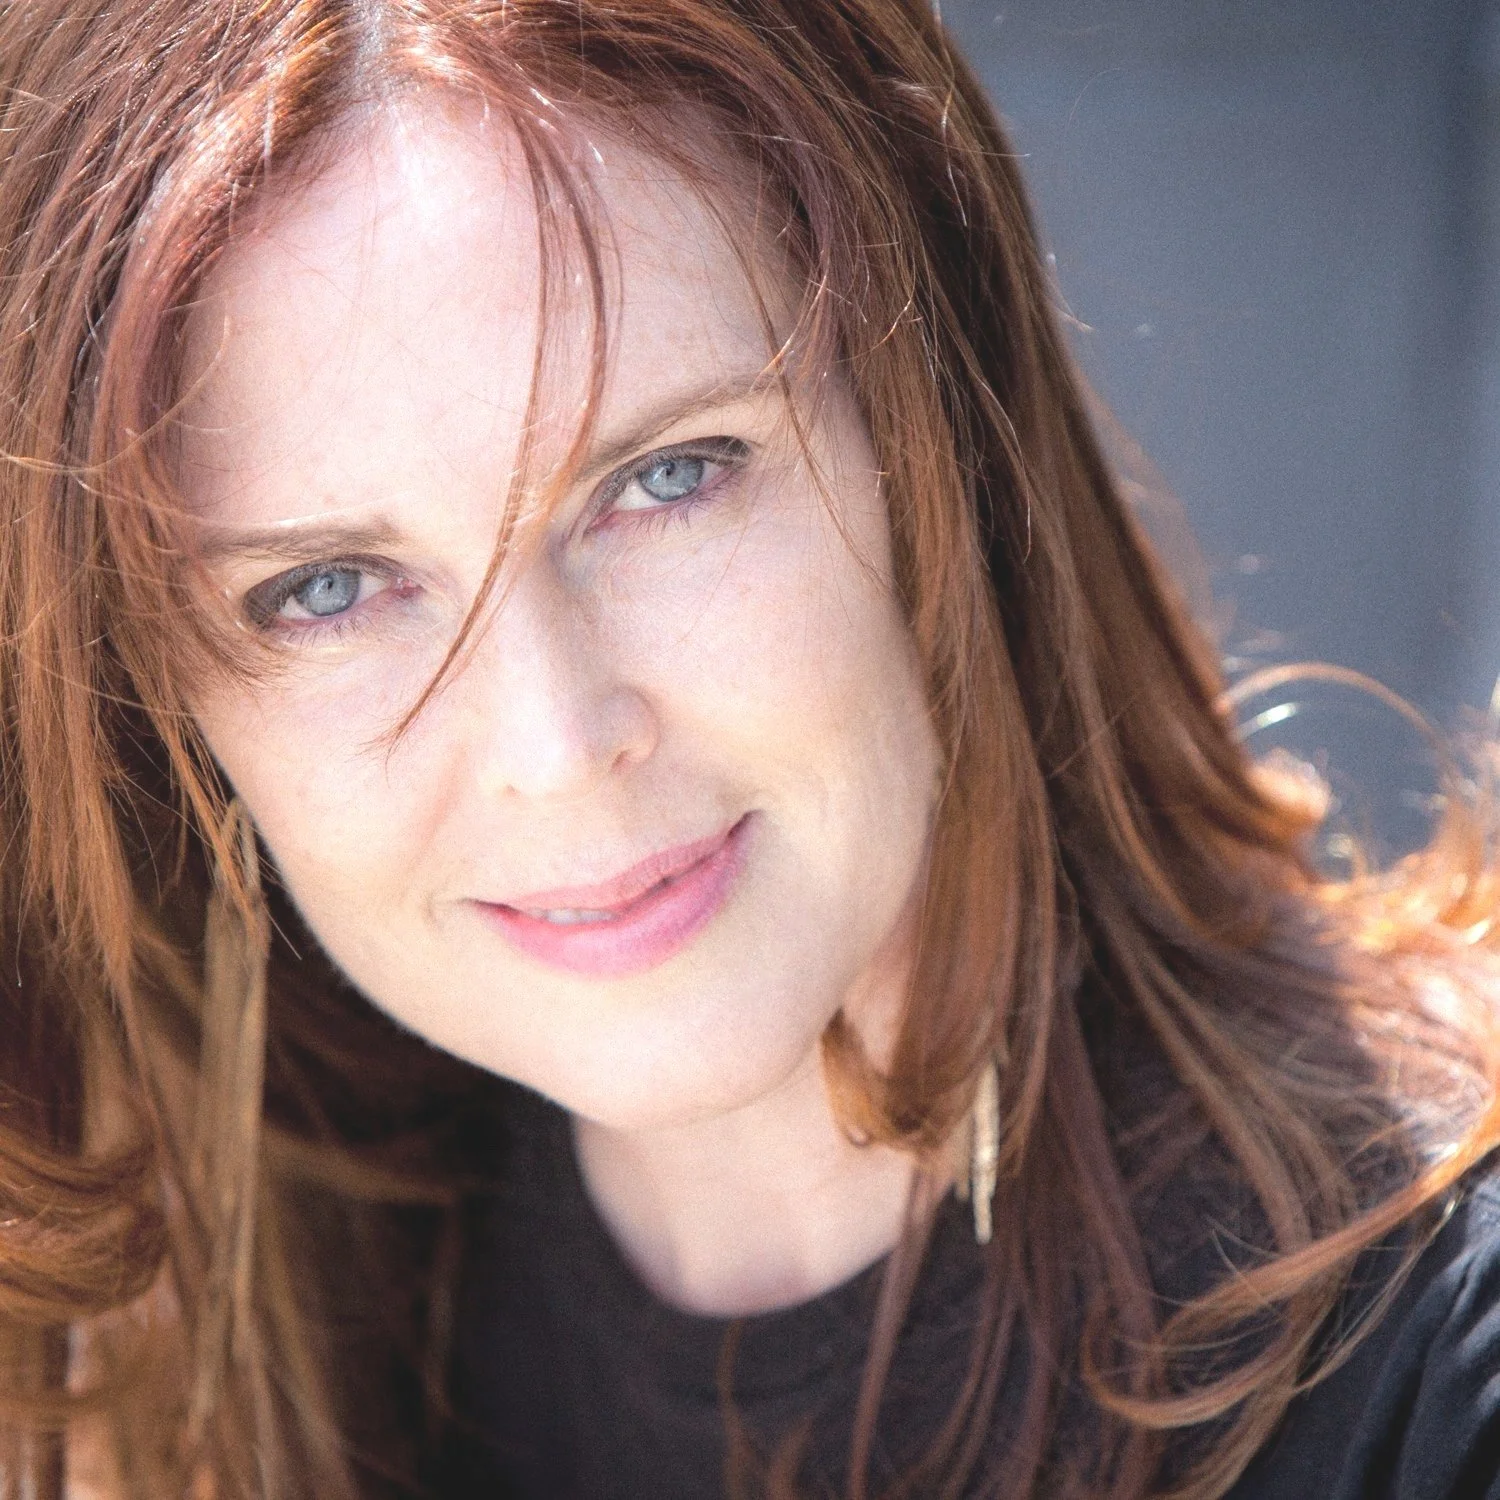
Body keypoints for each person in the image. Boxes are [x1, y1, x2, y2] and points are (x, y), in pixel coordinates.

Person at [0, 2, 1497, 1497]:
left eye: (668, 477)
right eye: (325, 588)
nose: (556, 743)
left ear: (939, 443)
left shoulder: (1436, 1367)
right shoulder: (205, 1368)